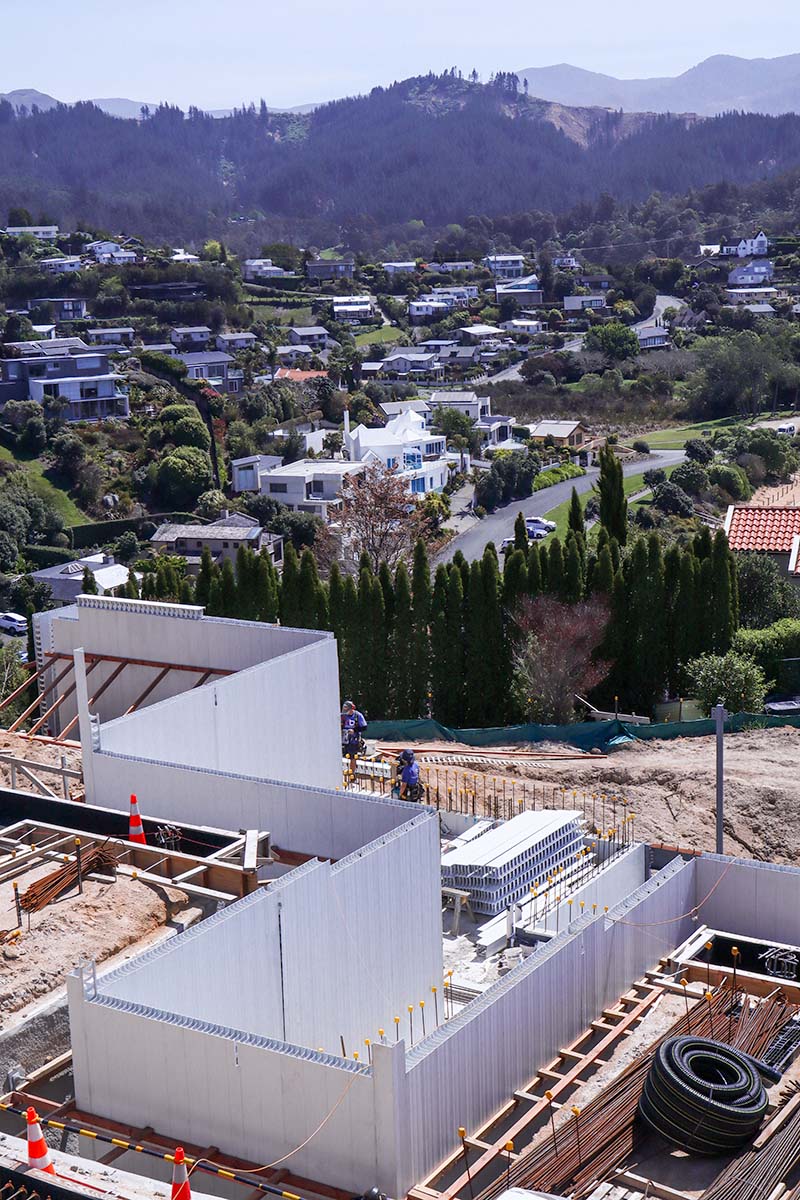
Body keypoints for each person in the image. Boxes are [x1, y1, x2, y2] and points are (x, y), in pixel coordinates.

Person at [341, 700, 367, 772]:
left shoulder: (358, 715)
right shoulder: (342, 716)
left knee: (352, 757)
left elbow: (364, 727)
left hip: (353, 740)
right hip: (343, 739)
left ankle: (352, 773)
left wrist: (354, 730)